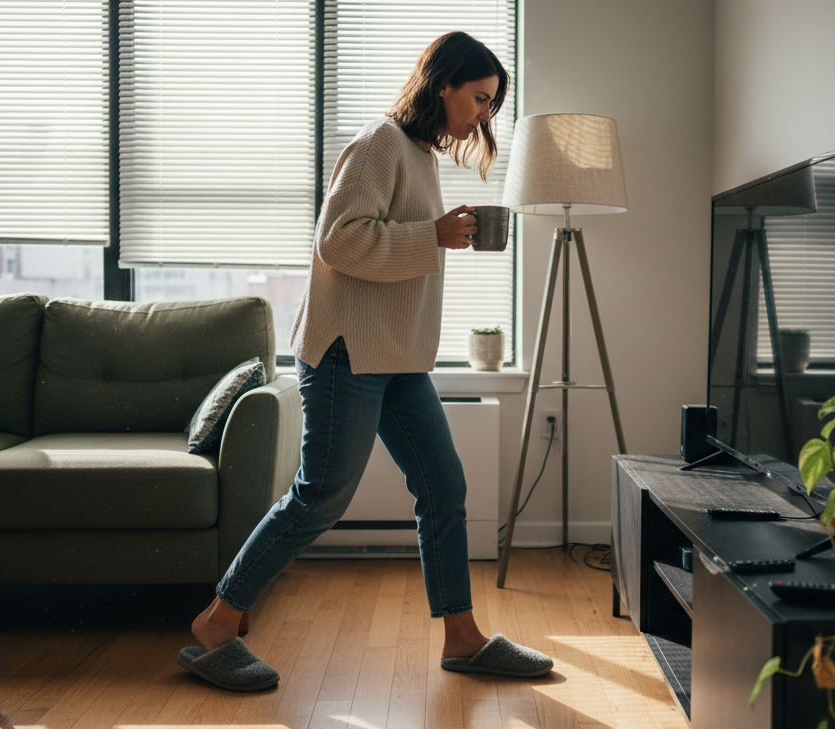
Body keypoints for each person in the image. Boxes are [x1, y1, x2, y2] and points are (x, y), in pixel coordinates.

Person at [177, 31, 553, 692]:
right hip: (349, 353)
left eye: (493, 103)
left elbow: (391, 245)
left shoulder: (421, 155)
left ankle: (462, 638)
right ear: (444, 84)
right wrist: (430, 236)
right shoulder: (381, 141)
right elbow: (338, 240)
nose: (485, 115)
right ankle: (215, 625)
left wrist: (434, 237)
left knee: (444, 486)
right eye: (480, 98)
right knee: (320, 497)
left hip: (398, 358)